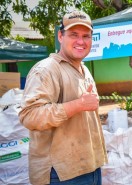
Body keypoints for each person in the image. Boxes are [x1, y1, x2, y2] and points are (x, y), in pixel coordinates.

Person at [19, 10, 107, 185]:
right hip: (61, 174)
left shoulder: (83, 69)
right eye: (74, 35)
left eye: (86, 36)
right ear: (60, 36)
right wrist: (78, 105)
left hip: (88, 166)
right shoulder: (46, 70)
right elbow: (29, 115)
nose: (81, 41)